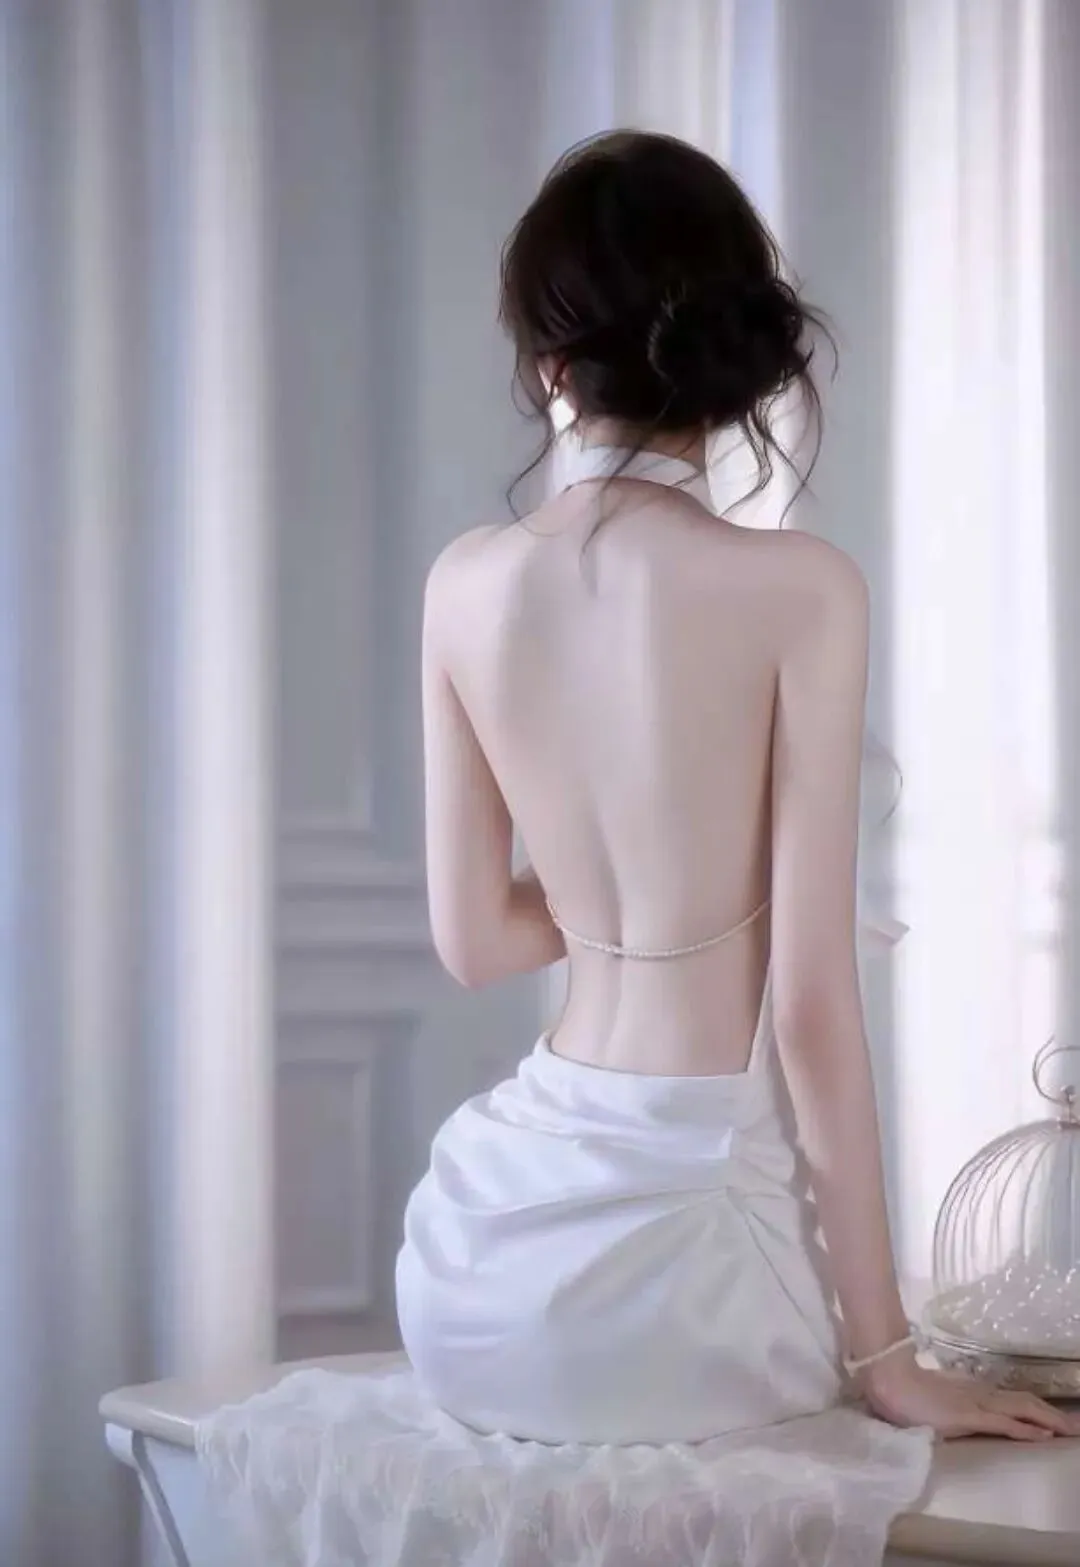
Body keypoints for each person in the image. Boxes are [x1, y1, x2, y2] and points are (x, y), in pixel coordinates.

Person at [197, 131, 1077, 1567]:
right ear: (737, 361)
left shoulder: (466, 581)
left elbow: (476, 941)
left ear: (549, 363)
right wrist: (888, 1359)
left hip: (476, 1266)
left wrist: (628, 884)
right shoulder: (800, 585)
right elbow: (809, 1008)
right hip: (677, 1295)